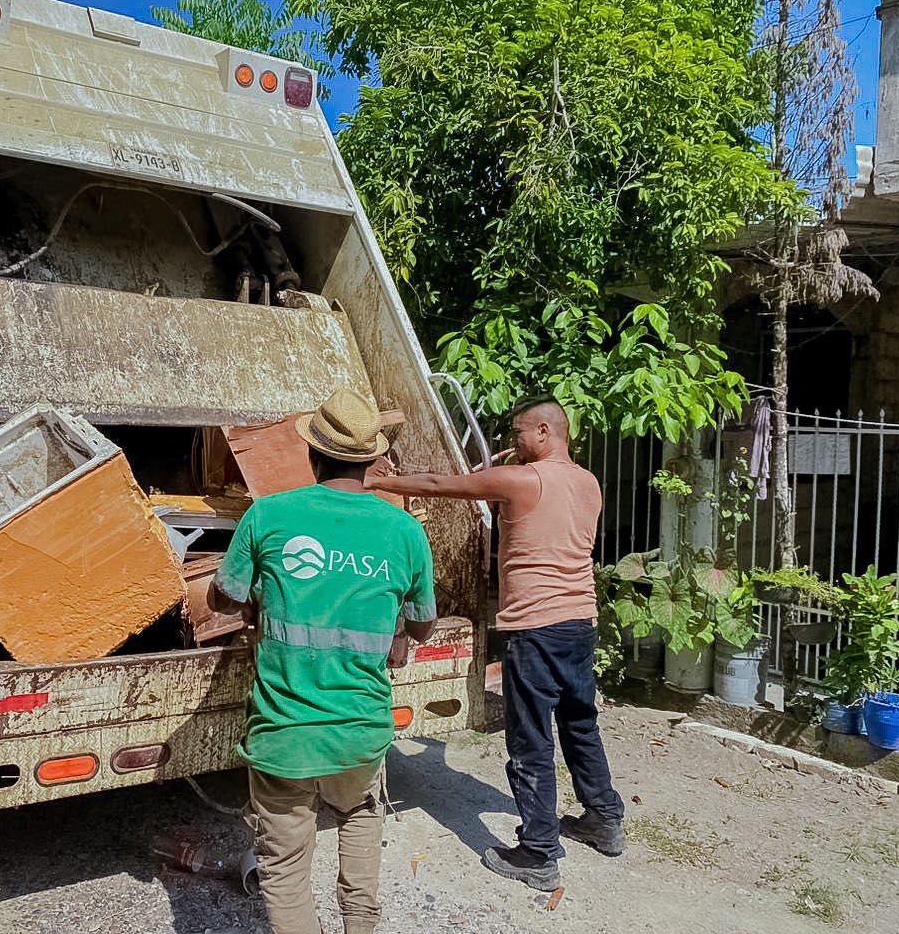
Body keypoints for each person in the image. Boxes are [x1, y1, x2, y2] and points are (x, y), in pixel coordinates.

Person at [366, 395, 624, 892]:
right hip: (579, 622)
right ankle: (604, 819)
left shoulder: (521, 481)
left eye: (519, 432)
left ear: (545, 431)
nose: (513, 441)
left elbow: (441, 485)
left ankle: (538, 853)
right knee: (579, 724)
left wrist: (374, 481)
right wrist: (505, 466)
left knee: (530, 739)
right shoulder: (587, 482)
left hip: (535, 627)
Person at [209, 388, 438, 934]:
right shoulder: (404, 531)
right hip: (360, 729)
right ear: (371, 461)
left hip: (283, 733)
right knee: (360, 815)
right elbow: (423, 623)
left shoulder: (269, 515)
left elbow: (222, 598)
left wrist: (260, 596)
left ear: (312, 454)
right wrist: (393, 622)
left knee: (285, 872)